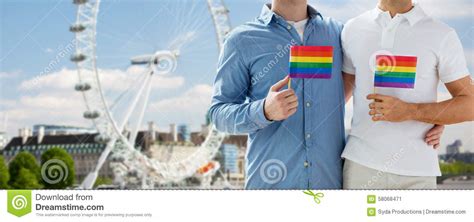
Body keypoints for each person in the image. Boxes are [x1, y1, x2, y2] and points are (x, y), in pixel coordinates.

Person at [209, 0, 443, 189]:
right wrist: (263, 111)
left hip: (329, 188)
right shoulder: (242, 40)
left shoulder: (339, 34)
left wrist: (424, 117)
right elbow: (218, 113)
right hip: (271, 189)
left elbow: (379, 80)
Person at [341, 0, 474, 189]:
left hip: (418, 173)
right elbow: (336, 99)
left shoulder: (441, 34)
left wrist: (412, 111)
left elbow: (470, 105)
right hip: (361, 167)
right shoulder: (352, 28)